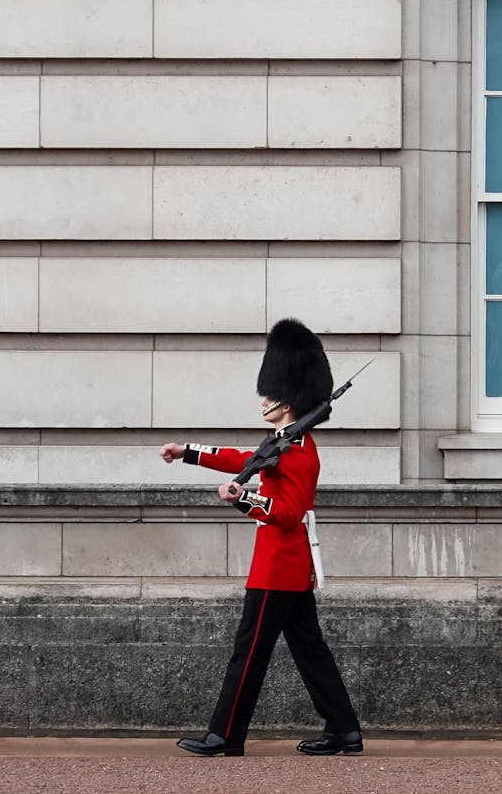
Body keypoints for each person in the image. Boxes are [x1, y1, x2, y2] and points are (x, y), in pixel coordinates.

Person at [160, 318, 363, 758]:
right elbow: (243, 457)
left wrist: (242, 501)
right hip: (287, 569)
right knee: (311, 651)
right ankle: (344, 730)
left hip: (278, 569)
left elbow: (289, 514)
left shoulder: (300, 453)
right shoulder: (283, 444)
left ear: (289, 401)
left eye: (271, 395)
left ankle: (225, 735)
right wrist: (188, 451)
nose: (265, 400)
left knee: (248, 653)